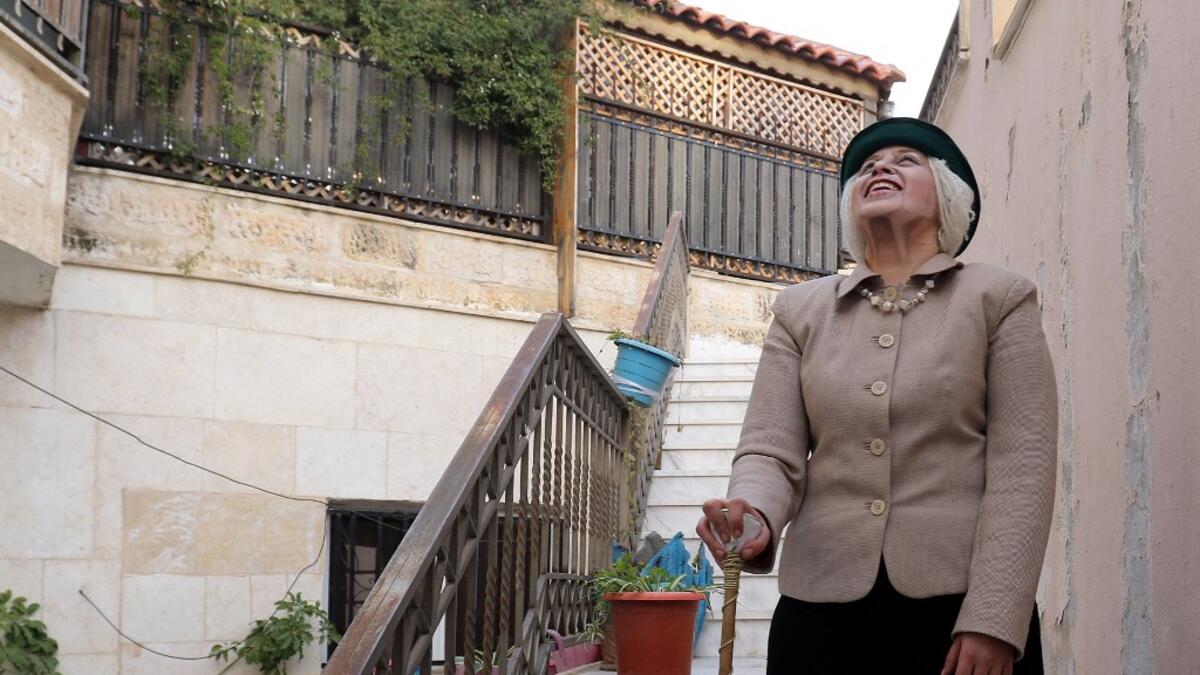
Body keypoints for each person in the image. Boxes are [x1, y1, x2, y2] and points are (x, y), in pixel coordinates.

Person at [696, 117, 1057, 675]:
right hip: (820, 617)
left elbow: (1023, 466)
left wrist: (994, 616)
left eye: (905, 160)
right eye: (867, 166)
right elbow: (770, 449)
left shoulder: (1000, 298)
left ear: (948, 197)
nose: (881, 167)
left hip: (960, 617)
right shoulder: (799, 312)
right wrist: (756, 512)